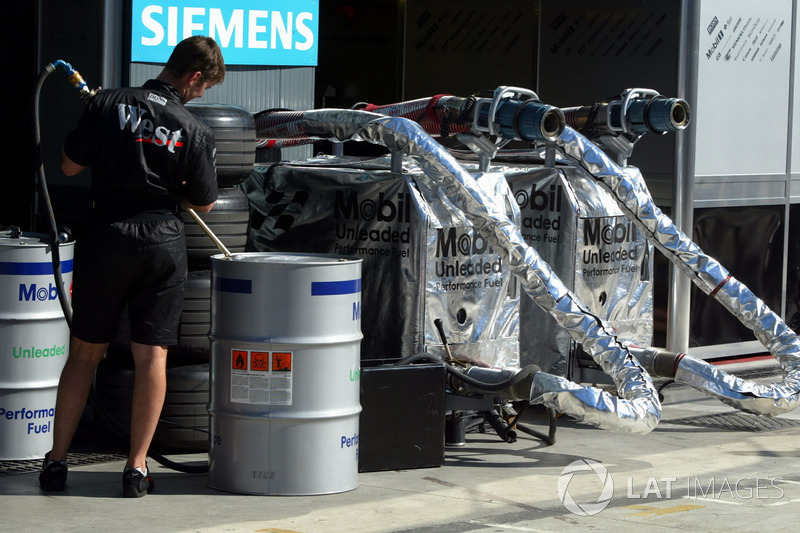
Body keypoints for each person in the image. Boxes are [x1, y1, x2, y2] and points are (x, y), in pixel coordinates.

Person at [39, 35, 225, 498]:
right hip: (162, 241)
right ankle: (136, 468)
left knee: (84, 353)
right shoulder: (192, 127)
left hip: (106, 237)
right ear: (193, 77)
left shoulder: (106, 103)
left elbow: (67, 166)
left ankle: (56, 462)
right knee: (151, 356)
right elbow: (205, 199)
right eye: (204, 88)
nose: (201, 96)